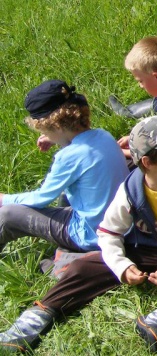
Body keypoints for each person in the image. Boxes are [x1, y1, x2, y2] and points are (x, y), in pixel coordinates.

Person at [0, 116, 157, 352]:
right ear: (148, 162)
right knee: (83, 266)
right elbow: (108, 234)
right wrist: (122, 266)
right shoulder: (130, 190)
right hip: (146, 248)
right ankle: (36, 318)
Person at [0, 80, 128, 254]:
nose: (43, 135)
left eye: (44, 130)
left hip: (91, 235)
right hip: (120, 227)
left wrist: (4, 199)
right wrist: (59, 139)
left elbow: (41, 198)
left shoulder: (68, 157)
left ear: (56, 126)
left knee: (7, 215)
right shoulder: (103, 136)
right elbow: (82, 154)